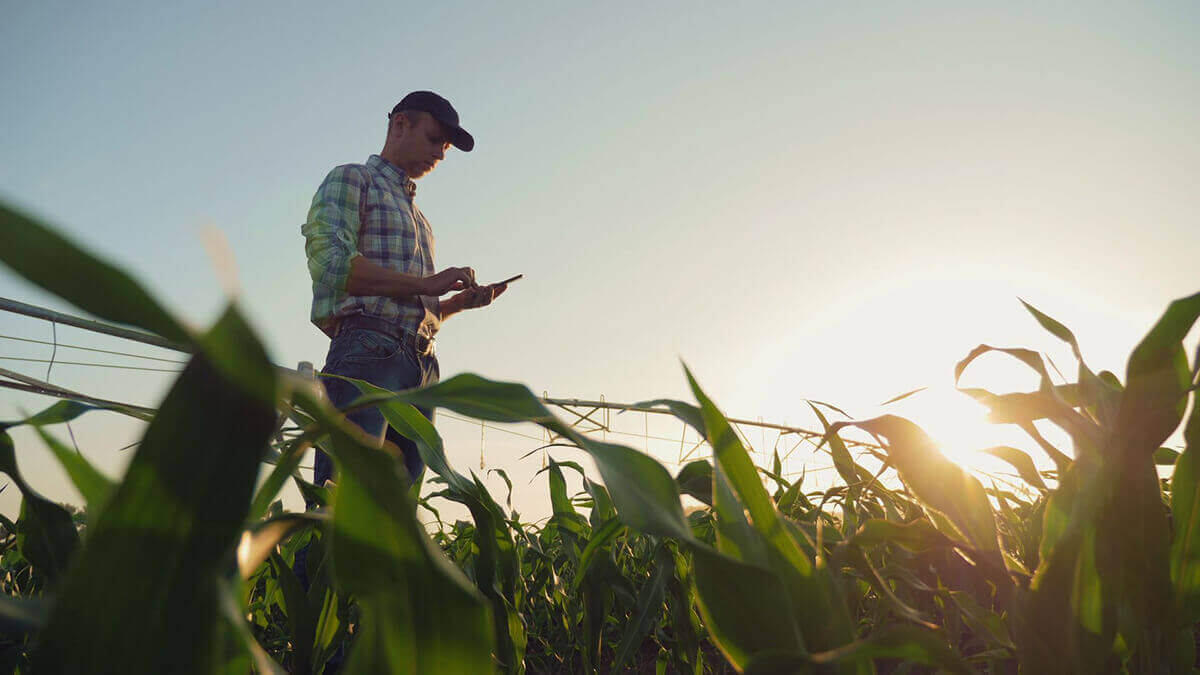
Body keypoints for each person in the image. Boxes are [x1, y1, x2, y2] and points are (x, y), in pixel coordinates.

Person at [301, 90, 507, 492]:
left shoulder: (421, 220)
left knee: (396, 521)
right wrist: (424, 284)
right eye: (435, 140)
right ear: (400, 124)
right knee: (341, 506)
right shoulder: (352, 179)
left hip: (422, 366)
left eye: (446, 147)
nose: (442, 155)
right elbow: (330, 265)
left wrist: (455, 305)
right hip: (367, 355)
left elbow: (408, 306)